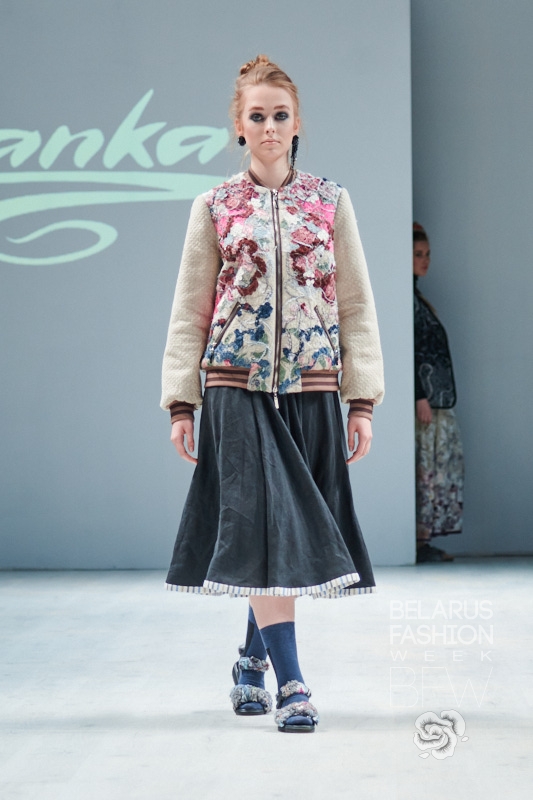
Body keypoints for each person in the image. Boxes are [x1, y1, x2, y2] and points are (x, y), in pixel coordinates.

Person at [160, 55, 384, 733]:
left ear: (296, 123)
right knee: (263, 528)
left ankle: (249, 661)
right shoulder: (214, 207)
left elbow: (355, 305)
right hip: (235, 386)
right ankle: (292, 684)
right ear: (238, 125)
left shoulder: (330, 201)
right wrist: (181, 401)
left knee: (286, 536)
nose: (268, 127)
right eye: (256, 116)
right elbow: (190, 309)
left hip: (312, 387)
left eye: (279, 115)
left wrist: (361, 399)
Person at [413, 223, 464, 563]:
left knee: (435, 470)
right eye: (418, 254)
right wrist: (419, 396)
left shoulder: (419, 301)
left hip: (438, 401)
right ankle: (419, 542)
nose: (425, 260)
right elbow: (410, 351)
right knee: (426, 471)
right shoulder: (410, 303)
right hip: (428, 403)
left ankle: (424, 539)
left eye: (428, 254)